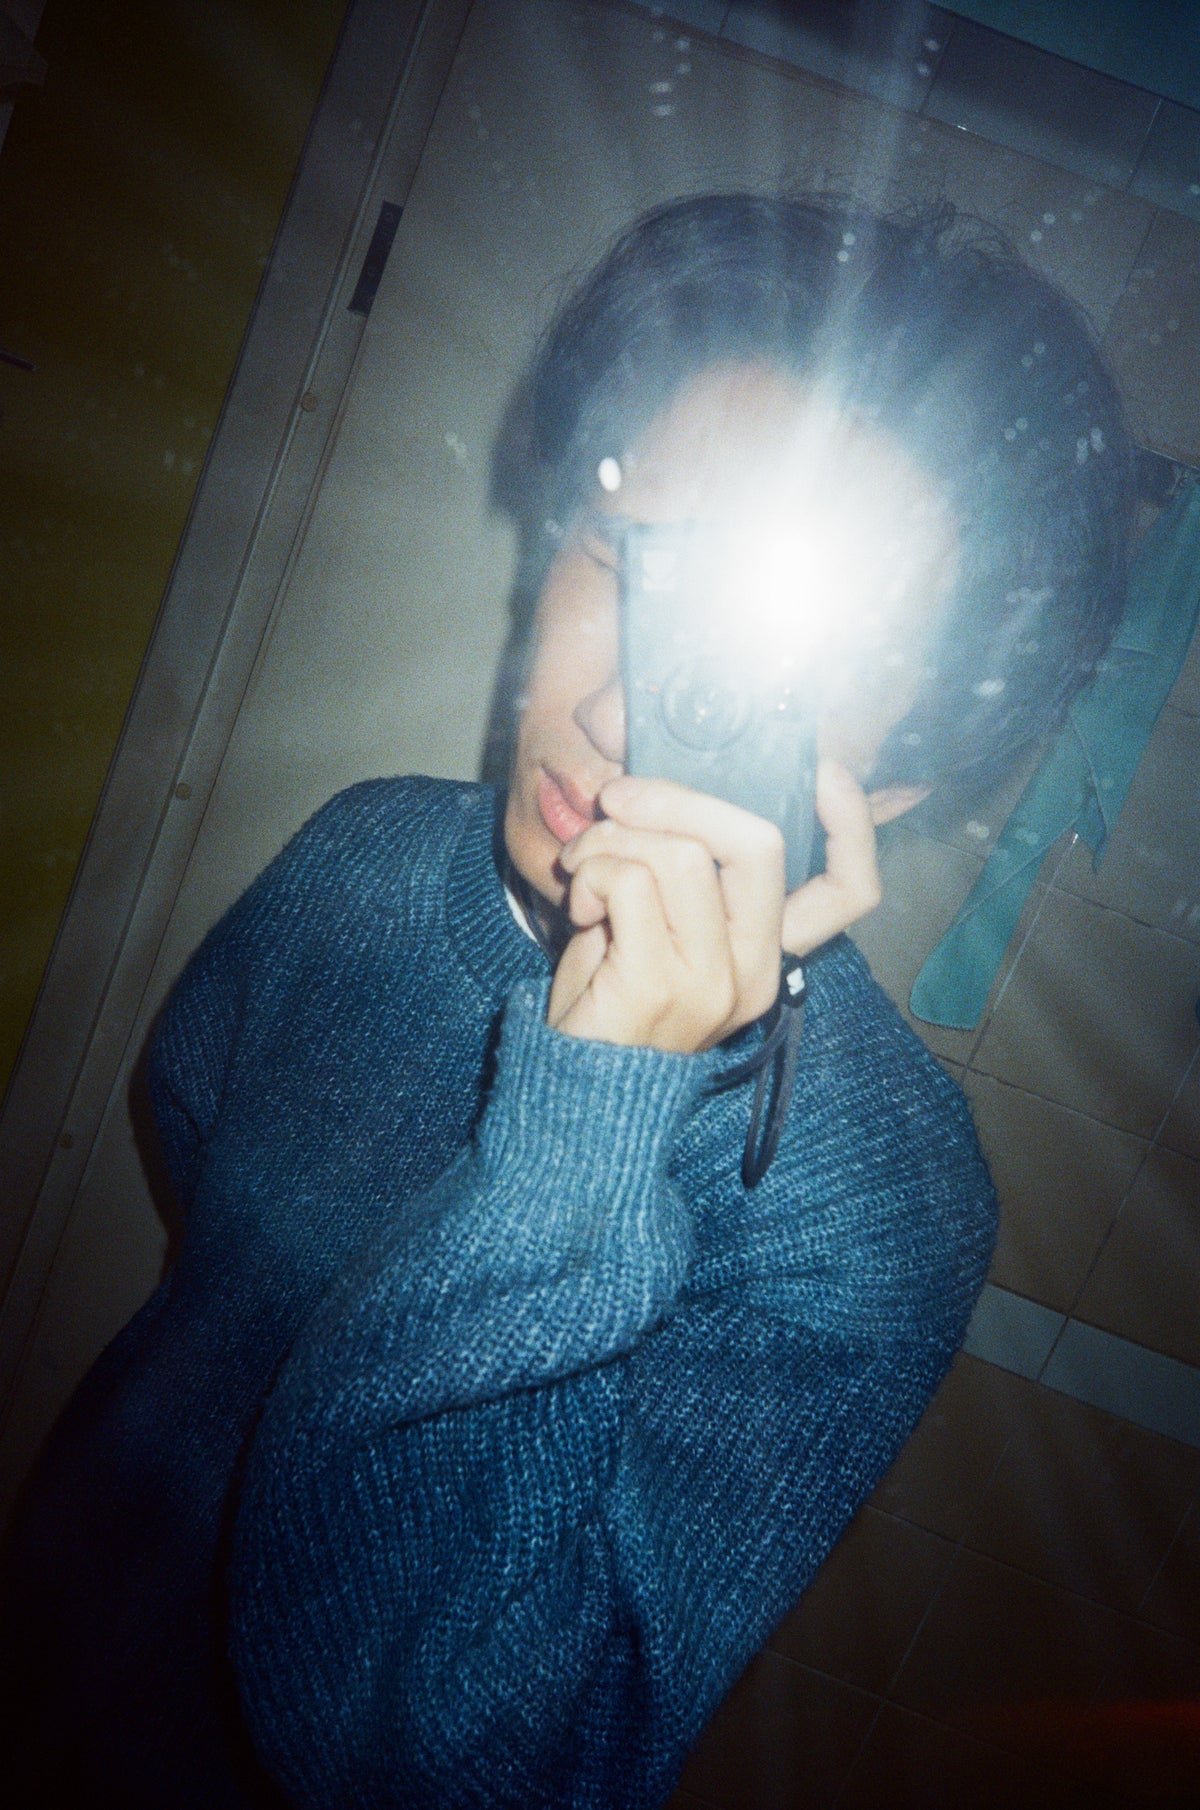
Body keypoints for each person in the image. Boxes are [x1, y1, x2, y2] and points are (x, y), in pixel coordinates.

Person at [2, 194, 1134, 1808]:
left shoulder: (877, 1207)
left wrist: (591, 1115)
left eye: (779, 661)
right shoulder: (369, 852)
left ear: (904, 769)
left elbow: (451, 1774)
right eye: (627, 558)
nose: (612, 711)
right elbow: (201, 1150)